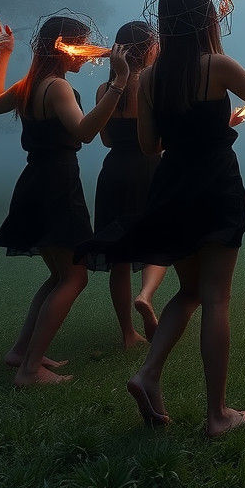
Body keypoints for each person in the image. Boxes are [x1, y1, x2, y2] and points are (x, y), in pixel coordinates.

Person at [80, 0, 245, 437]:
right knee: (216, 299)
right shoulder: (217, 67)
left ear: (164, 26)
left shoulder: (149, 79)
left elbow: (150, 147)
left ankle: (147, 374)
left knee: (190, 292)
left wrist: (182, 130)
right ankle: (216, 415)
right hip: (216, 187)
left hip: (172, 189)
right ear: (208, 20)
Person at [0, 11, 129, 385]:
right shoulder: (58, 87)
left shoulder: (32, 84)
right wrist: (119, 84)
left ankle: (21, 353)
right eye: (80, 45)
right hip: (56, 185)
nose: (85, 54)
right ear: (64, 47)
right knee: (75, 277)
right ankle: (30, 370)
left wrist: (4, 55)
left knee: (59, 274)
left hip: (35, 182)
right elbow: (85, 132)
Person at [89, 20, 167, 347]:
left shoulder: (105, 90)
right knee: (160, 243)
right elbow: (159, 140)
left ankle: (127, 334)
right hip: (149, 170)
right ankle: (147, 296)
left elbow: (106, 139)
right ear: (147, 48)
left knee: (119, 257)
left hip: (114, 173)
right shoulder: (152, 84)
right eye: (156, 43)